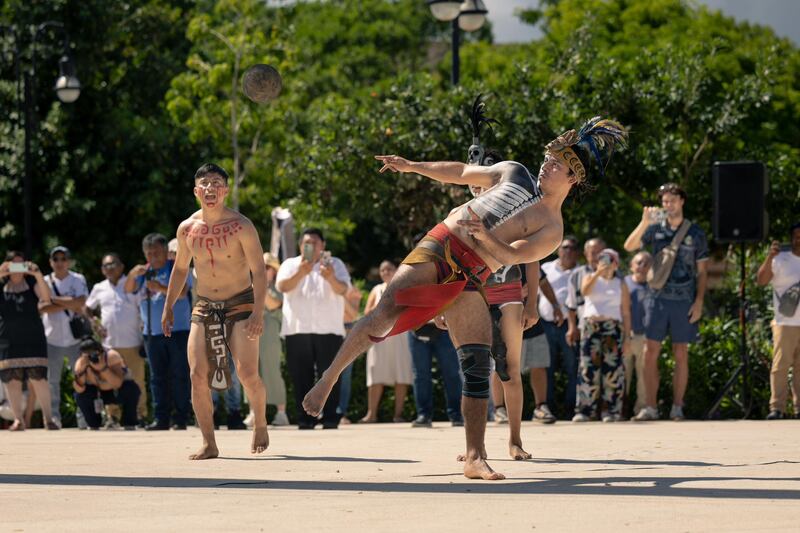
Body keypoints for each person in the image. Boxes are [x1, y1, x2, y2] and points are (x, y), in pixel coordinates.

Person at [302, 116, 628, 479]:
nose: (545, 165)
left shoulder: (552, 228)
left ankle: (475, 455)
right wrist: (412, 167)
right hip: (441, 245)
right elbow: (460, 172)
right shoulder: (514, 173)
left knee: (477, 362)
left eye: (556, 164)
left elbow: (511, 256)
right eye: (548, 158)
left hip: (472, 274)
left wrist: (485, 237)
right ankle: (330, 378)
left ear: (573, 178)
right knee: (384, 313)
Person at [162, 163, 268, 459]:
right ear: (196, 191)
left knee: (247, 373)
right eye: (205, 184)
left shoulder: (242, 225)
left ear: (225, 190)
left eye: (216, 183)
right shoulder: (187, 229)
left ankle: (260, 420)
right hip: (204, 304)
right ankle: (209, 442)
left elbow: (259, 271)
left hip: (241, 303)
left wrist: (258, 312)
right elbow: (181, 268)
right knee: (197, 374)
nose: (210, 188)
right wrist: (169, 306)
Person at [624, 183, 708, 421]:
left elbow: (703, 271)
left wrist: (699, 301)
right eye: (664, 201)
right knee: (650, 352)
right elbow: (629, 246)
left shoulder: (696, 233)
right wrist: (644, 222)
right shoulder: (655, 228)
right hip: (657, 299)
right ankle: (650, 407)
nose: (667, 205)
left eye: (672, 200)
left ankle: (677, 407)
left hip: (684, 301)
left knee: (681, 353)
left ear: (682, 201)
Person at [276, 228, 351, 430]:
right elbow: (281, 287)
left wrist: (331, 278)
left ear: (323, 245)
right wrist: (301, 272)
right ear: (301, 245)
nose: (311, 246)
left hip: (329, 330)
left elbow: (344, 289)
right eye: (307, 242)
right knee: (300, 375)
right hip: (297, 329)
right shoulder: (290, 264)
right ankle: (305, 418)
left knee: (331, 375)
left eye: (315, 242)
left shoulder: (335, 264)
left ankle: (329, 417)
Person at [125, 234, 191, 430]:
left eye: (156, 252)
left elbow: (182, 294)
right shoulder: (143, 272)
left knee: (180, 375)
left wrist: (161, 288)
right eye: (149, 253)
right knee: (157, 377)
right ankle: (161, 418)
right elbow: (128, 289)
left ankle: (180, 418)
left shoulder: (176, 267)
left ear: (165, 251)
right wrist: (131, 275)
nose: (153, 256)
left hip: (178, 330)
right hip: (152, 333)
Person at [86, 253, 148, 424]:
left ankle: (140, 415)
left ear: (121, 266)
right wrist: (94, 323)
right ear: (102, 269)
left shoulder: (132, 283)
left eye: (113, 264)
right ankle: (112, 416)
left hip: (132, 342)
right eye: (106, 265)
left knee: (137, 381)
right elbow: (87, 308)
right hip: (109, 346)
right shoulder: (99, 287)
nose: (109, 268)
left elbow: (142, 307)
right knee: (109, 381)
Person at [0, 252, 58, 430]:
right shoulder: (2, 285)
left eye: (21, 264)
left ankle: (48, 419)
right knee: (12, 380)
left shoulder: (32, 282)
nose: (17, 269)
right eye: (13, 264)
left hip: (33, 337)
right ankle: (18, 419)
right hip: (8, 338)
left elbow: (47, 299)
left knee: (38, 378)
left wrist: (38, 274)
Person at [573, 248, 631, 422]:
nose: (605, 263)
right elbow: (584, 292)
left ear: (616, 263)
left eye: (609, 260)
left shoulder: (621, 283)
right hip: (591, 327)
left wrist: (627, 337)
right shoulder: (589, 278)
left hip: (612, 328)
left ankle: (611, 411)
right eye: (601, 259)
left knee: (612, 371)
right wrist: (598, 272)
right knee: (587, 369)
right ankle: (585, 410)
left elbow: (626, 312)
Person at [41, 245, 89, 427]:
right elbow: (41, 307)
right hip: (51, 339)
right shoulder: (44, 280)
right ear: (51, 262)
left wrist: (53, 300)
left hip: (74, 339)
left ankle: (84, 418)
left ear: (68, 261)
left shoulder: (78, 279)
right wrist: (70, 303)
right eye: (56, 259)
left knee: (81, 378)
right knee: (52, 381)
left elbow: (82, 302)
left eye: (63, 259)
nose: (60, 262)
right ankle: (54, 419)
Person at [360, 260, 414, 423]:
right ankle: (371, 414)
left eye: (389, 269)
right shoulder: (376, 290)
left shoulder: (404, 288)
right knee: (376, 373)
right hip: (379, 337)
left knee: (401, 374)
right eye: (382, 270)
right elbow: (366, 312)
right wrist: (381, 305)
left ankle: (398, 415)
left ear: (396, 270)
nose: (385, 272)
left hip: (400, 336)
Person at [757, 224, 800, 419]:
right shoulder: (781, 259)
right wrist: (769, 257)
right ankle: (777, 408)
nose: (799, 239)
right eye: (796, 236)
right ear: (791, 238)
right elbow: (761, 280)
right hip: (786, 323)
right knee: (781, 365)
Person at [246, 252, 290, 427]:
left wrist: (259, 285)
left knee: (272, 371)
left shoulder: (278, 288)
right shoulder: (248, 286)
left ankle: (281, 413)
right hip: (250, 332)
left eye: (267, 267)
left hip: (270, 332)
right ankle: (253, 412)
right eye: (260, 267)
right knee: (250, 372)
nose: (263, 270)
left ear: (274, 270)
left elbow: (273, 304)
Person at [540, 236, 579, 417]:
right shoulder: (546, 269)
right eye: (564, 247)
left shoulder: (581, 272)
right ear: (558, 250)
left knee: (573, 369)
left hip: (571, 327)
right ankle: (548, 409)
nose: (568, 251)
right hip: (546, 325)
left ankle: (572, 410)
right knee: (546, 369)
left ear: (577, 252)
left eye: (572, 248)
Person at [72, 338, 141, 430]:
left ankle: (129, 421)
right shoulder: (81, 362)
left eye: (94, 353)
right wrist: (81, 372)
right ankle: (93, 423)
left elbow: (117, 383)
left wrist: (102, 369)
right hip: (97, 392)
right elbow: (79, 390)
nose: (92, 357)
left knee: (131, 389)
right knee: (81, 396)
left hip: (115, 390)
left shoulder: (112, 356)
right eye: (87, 355)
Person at [526, 266, 557, 424]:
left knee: (538, 364)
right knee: (501, 367)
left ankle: (540, 407)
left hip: (531, 320)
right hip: (503, 318)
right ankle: (499, 409)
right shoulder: (495, 249)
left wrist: (556, 306)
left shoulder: (529, 253)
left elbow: (543, 283)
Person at [623, 251, 652, 416]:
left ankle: (641, 410)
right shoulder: (623, 283)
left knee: (643, 377)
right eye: (639, 262)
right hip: (626, 335)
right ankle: (618, 410)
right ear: (631, 265)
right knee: (622, 376)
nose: (642, 266)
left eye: (646, 263)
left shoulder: (653, 285)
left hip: (645, 337)